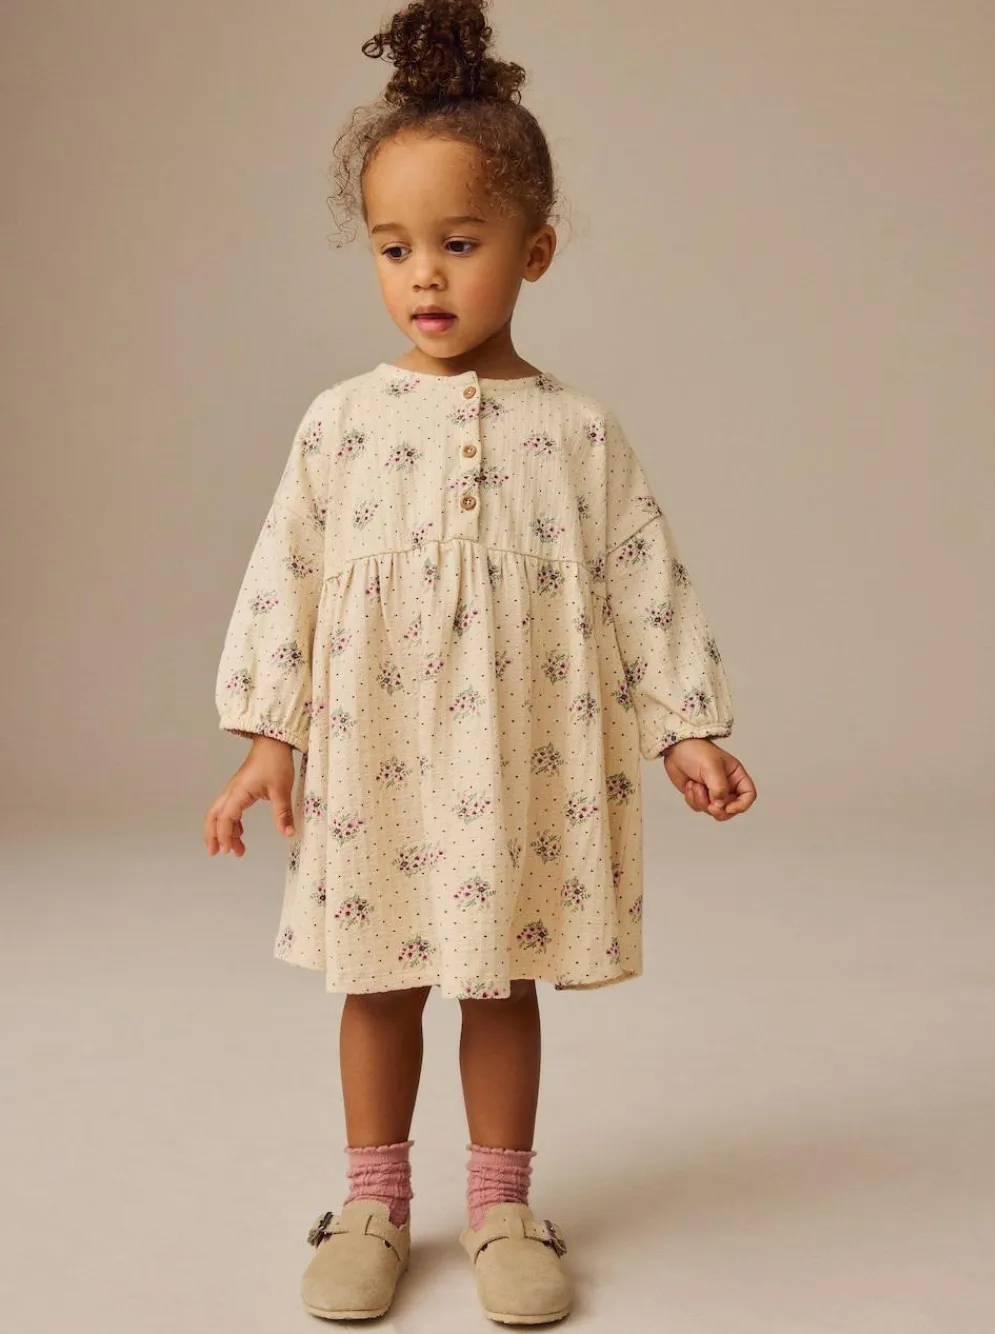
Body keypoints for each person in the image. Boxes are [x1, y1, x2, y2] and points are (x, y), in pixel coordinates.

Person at [203, 0, 757, 1323]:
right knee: (378, 977)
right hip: (381, 760)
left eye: (460, 243)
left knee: (500, 975)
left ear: (535, 248)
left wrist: (684, 723)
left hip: (518, 762)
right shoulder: (342, 423)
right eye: (395, 248)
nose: (426, 277)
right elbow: (287, 577)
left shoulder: (579, 433)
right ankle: (375, 1204)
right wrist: (267, 739)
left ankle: (505, 1206)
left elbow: (641, 578)